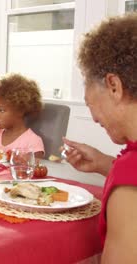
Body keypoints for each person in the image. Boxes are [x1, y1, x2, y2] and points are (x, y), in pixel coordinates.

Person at [62, 14, 137, 263]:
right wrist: (104, 163)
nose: (93, 117)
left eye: (89, 103)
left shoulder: (130, 174)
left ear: (113, 85)